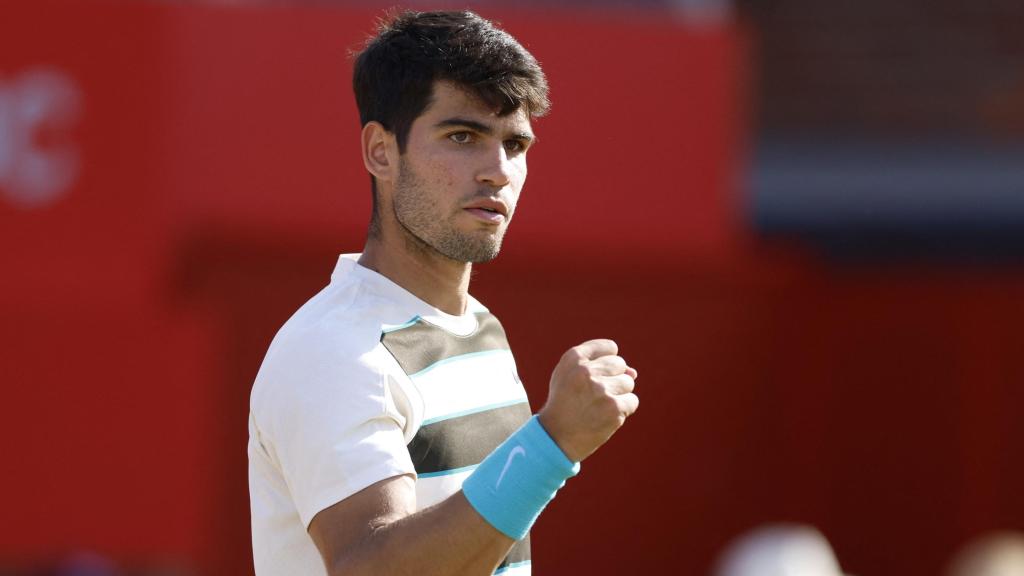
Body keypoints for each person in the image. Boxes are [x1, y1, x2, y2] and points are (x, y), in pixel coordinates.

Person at [247, 10, 639, 576]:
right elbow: (370, 568)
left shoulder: (479, 325)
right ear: (381, 151)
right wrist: (552, 443)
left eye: (515, 143)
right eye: (463, 136)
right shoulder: (332, 352)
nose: (498, 171)